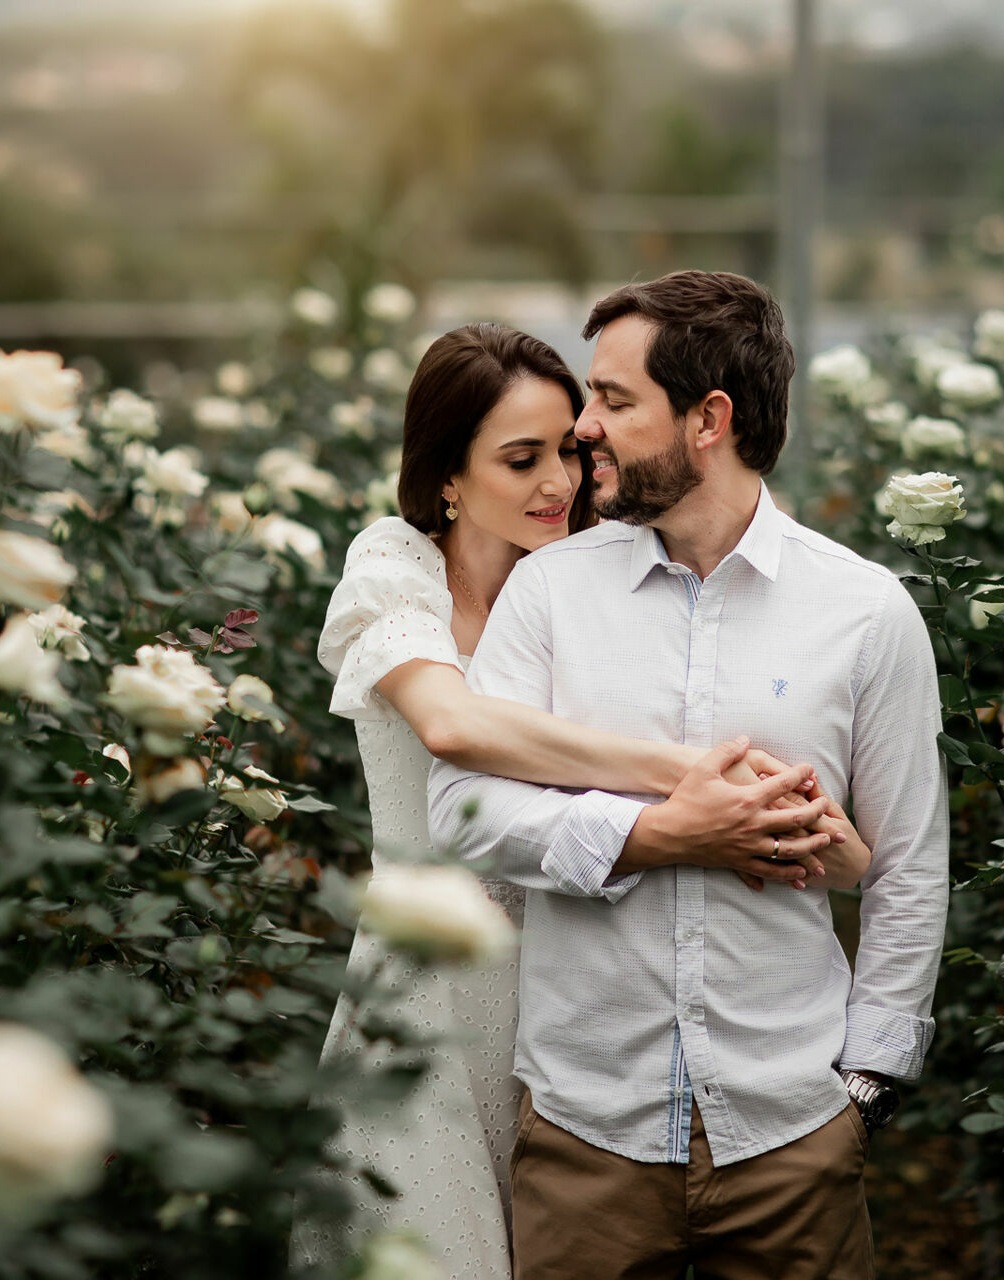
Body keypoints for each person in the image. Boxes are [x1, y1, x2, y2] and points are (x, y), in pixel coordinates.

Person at [291, 321, 870, 1276]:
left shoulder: (591, 579)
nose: (559, 481)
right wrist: (683, 775)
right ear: (446, 475)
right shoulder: (394, 570)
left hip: (581, 972)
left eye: (569, 447)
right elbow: (452, 727)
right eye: (521, 460)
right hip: (432, 981)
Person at [429, 273, 951, 1279]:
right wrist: (653, 833)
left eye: (615, 401)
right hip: (585, 1133)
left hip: (792, 1133)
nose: (584, 427)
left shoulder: (867, 612)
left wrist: (867, 1084)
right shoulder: (548, 593)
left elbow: (909, 866)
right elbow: (463, 808)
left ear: (709, 418)